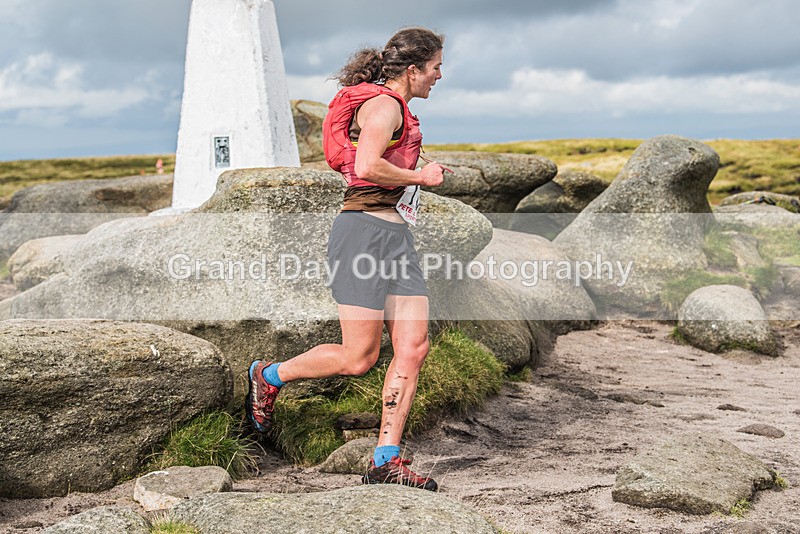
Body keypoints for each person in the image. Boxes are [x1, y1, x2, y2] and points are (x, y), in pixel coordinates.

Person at [246, 27, 447, 491]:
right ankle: (269, 375)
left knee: (413, 347)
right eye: (435, 67)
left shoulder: (398, 108)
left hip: (396, 240)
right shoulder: (383, 105)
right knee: (359, 357)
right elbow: (366, 166)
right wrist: (423, 176)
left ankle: (385, 460)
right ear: (413, 69)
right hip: (362, 236)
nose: (440, 76)